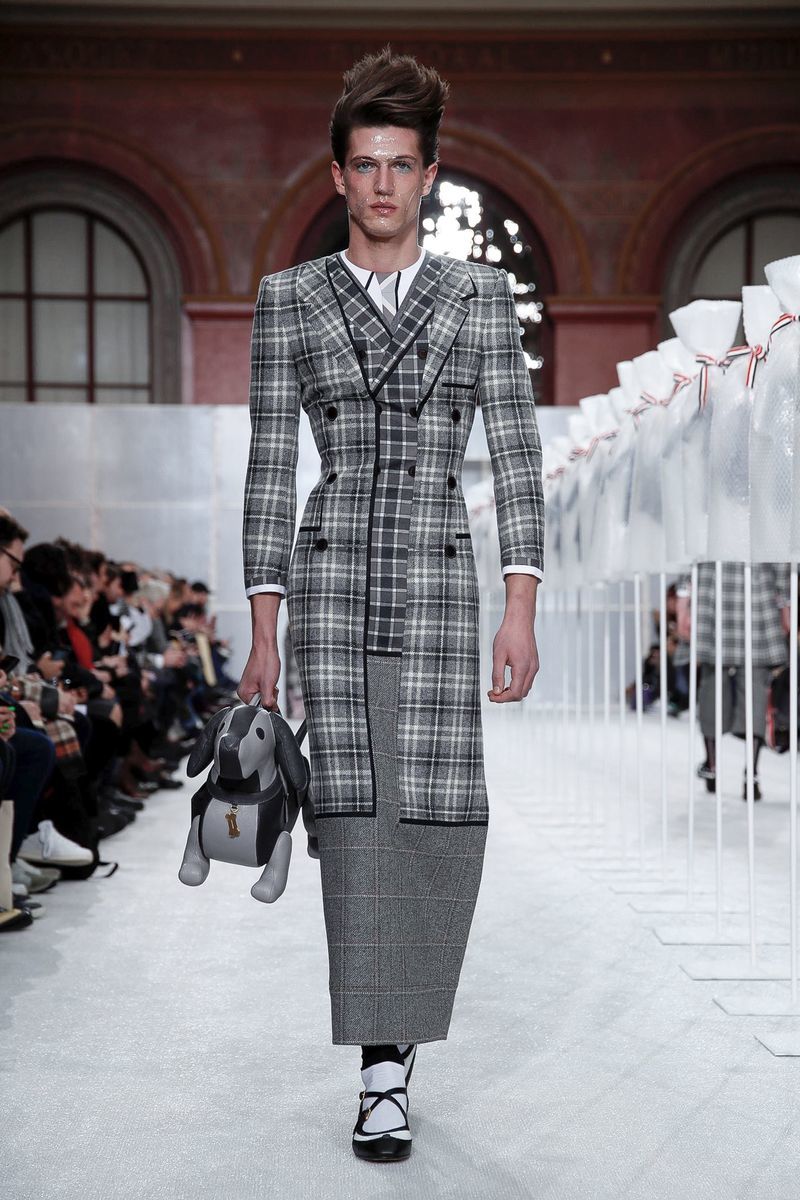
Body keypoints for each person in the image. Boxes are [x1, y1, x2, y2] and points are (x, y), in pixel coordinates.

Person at [238, 47, 544, 1162]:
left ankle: (401, 1035)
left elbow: (516, 455)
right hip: (328, 584)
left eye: (400, 164)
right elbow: (271, 464)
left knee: (440, 816)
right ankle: (379, 1069)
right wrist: (262, 627)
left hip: (440, 580)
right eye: (363, 164)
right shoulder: (288, 300)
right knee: (357, 822)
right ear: (338, 177)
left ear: (428, 177)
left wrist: (520, 603)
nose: (381, 183)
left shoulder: (479, 297)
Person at [694, 561, 790, 801]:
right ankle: (752, 773)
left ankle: (713, 764)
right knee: (754, 694)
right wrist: (786, 602)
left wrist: (686, 597)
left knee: (713, 690)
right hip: (757, 603)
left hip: (714, 600)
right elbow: (779, 560)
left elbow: (692, 550)